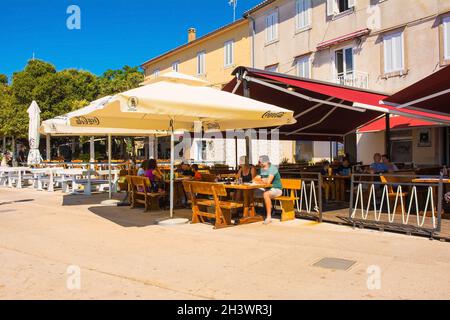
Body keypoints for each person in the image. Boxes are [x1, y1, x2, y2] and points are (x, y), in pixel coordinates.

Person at [253, 155, 283, 225]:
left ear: (266, 162)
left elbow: (268, 182)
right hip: (266, 188)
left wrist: (261, 180)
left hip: (277, 189)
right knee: (250, 192)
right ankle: (252, 213)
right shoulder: (261, 169)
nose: (259, 164)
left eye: (260, 162)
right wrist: (262, 180)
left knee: (266, 194)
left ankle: (269, 217)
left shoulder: (273, 168)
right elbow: (254, 179)